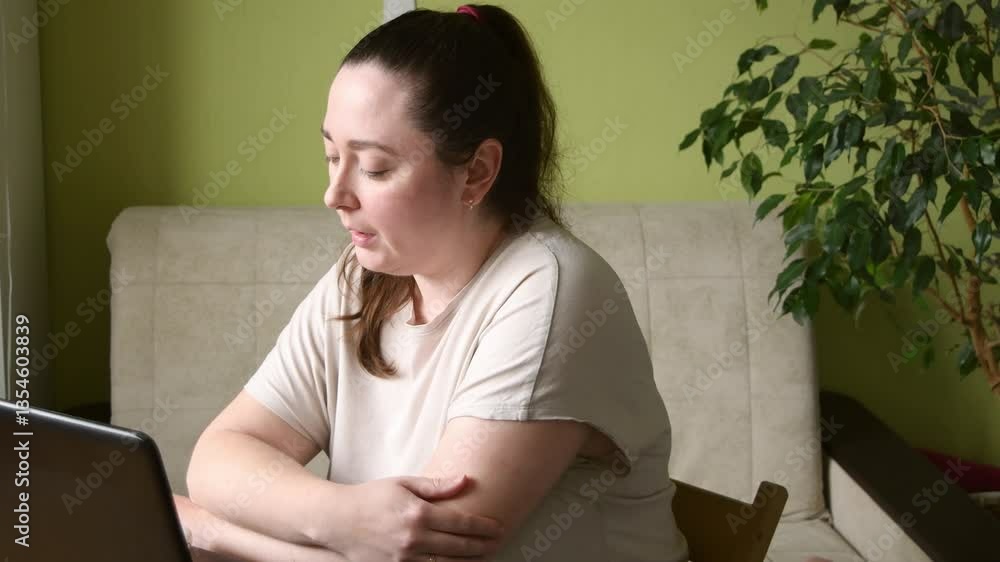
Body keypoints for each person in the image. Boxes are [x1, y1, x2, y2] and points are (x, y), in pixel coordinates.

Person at [173, 4, 688, 561]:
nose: (336, 195)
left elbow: (431, 555)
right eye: (330, 156)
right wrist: (342, 518)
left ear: (477, 172)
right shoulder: (366, 276)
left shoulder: (552, 289)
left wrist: (213, 530)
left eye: (372, 168)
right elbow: (220, 458)